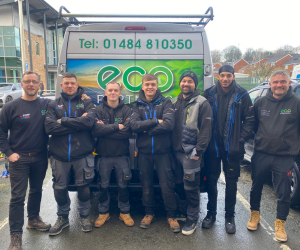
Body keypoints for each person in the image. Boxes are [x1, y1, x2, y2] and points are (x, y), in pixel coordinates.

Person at [0, 71, 51, 250]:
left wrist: (83, 96)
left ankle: (33, 220)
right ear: (21, 84)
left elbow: (64, 105)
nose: (31, 84)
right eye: (27, 81)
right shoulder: (11, 107)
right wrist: (8, 152)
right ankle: (15, 238)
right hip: (18, 159)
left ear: (39, 84)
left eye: (34, 82)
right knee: (17, 198)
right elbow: (1, 132)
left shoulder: (46, 104)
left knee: (36, 190)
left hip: (40, 157)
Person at [247, 70, 300, 242]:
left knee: (283, 191)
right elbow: (253, 125)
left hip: (285, 156)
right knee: (256, 186)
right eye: (275, 82)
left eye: (282, 82)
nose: (279, 85)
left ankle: (280, 223)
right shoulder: (261, 102)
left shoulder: (297, 103)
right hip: (262, 153)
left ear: (288, 83)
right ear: (270, 84)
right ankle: (254, 215)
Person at [202, 65, 253, 234]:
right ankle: (211, 214)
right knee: (211, 181)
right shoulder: (208, 94)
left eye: (228, 76)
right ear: (218, 76)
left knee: (231, 182)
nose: (225, 79)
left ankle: (229, 217)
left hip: (233, 148)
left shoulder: (242, 94)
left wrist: (240, 139)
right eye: (222, 75)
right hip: (213, 147)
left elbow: (250, 120)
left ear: (233, 76)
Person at [44, 72, 96, 235]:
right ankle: (63, 217)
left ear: (77, 84)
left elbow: (89, 122)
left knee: (83, 187)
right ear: (61, 85)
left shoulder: (86, 101)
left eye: (72, 83)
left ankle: (85, 216)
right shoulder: (54, 104)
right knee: (59, 188)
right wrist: (78, 122)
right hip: (59, 155)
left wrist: (64, 121)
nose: (70, 86)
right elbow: (49, 127)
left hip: (82, 154)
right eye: (66, 83)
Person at [131, 74, 180, 233]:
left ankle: (171, 216)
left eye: (153, 84)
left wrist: (147, 130)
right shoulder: (137, 105)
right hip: (144, 153)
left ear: (157, 86)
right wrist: (154, 121)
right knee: (146, 186)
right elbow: (133, 126)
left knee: (167, 186)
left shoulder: (166, 102)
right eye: (147, 84)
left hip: (163, 153)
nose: (150, 87)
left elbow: (169, 125)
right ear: (143, 86)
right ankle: (148, 213)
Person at [171, 70, 212, 235]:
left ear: (195, 84)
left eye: (189, 81)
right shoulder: (173, 101)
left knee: (191, 186)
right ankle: (183, 211)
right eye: (183, 81)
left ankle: (192, 219)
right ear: (179, 83)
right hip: (175, 153)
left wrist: (198, 152)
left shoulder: (202, 103)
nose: (185, 84)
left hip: (191, 153)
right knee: (179, 184)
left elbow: (206, 131)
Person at [92, 81, 133, 227]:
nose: (113, 93)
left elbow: (128, 131)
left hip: (122, 156)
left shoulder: (127, 110)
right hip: (103, 156)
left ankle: (124, 212)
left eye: (116, 90)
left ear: (120, 93)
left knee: (123, 185)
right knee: (103, 185)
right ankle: (103, 212)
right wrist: (116, 127)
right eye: (110, 90)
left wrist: (106, 131)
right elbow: (95, 130)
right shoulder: (98, 110)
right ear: (105, 92)